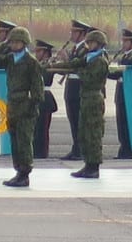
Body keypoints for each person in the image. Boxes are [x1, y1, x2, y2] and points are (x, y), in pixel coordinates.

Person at [0, 26, 44, 187]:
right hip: (12, 105)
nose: (14, 45)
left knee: (24, 141)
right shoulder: (10, 59)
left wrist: (32, 107)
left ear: (24, 43)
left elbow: (37, 89)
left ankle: (24, 172)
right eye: (12, 42)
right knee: (15, 141)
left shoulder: (31, 62)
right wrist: (3, 45)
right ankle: (18, 170)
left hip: (25, 105)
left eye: (17, 42)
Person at [50, 30, 110, 179]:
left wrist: (79, 70)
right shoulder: (89, 58)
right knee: (84, 132)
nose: (89, 45)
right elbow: (74, 64)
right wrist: (61, 65)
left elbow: (90, 79)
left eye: (92, 43)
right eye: (88, 43)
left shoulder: (100, 61)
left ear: (99, 44)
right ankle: (87, 163)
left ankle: (94, 166)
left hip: (94, 98)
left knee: (93, 133)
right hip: (86, 98)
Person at [59, 20, 91, 161]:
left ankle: (80, 150)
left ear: (82, 34)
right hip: (71, 86)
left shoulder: (85, 49)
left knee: (78, 120)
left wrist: (66, 59)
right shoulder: (75, 48)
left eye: (74, 32)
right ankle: (75, 148)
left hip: (78, 86)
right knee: (72, 120)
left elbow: (77, 65)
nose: (71, 34)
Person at [107, 28, 132, 160]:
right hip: (121, 92)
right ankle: (124, 149)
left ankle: (130, 150)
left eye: (125, 41)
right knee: (121, 123)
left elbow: (122, 73)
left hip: (129, 93)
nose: (123, 44)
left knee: (128, 124)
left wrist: (111, 70)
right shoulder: (126, 56)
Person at [32, 40, 58, 159]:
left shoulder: (49, 64)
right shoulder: (38, 63)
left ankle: (42, 152)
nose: (36, 54)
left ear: (46, 53)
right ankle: (36, 151)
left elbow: (44, 77)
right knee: (36, 128)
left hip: (45, 98)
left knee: (42, 129)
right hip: (36, 97)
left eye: (39, 51)